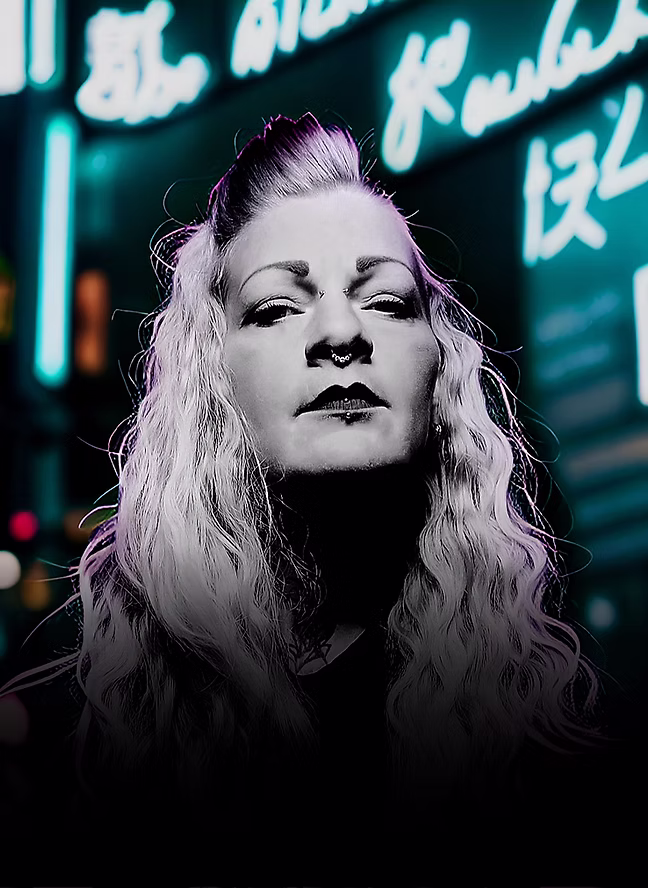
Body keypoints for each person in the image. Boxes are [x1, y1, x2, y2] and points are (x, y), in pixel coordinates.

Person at [0, 112, 639, 885]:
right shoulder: (77, 742)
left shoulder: (547, 739)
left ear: (441, 370)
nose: (340, 331)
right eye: (276, 307)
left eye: (388, 302)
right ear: (213, 378)